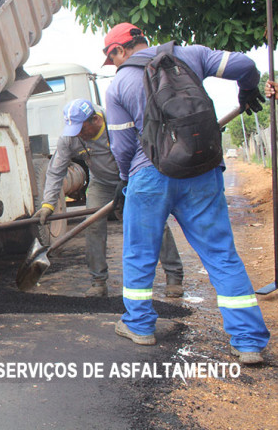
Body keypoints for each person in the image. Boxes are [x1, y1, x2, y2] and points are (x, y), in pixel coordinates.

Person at [102, 22, 270, 364]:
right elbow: (246, 67)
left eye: (112, 57)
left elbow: (122, 145)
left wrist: (125, 179)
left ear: (119, 50)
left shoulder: (119, 83)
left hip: (147, 176)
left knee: (139, 253)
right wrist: (248, 91)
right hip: (201, 171)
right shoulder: (191, 54)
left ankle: (139, 326)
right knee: (222, 254)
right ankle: (249, 342)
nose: (114, 64)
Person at [35, 99, 184, 297]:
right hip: (102, 184)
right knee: (93, 225)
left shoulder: (118, 123)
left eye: (81, 128)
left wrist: (132, 183)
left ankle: (174, 275)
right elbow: (56, 172)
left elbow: (146, 153)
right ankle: (98, 281)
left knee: (154, 222)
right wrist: (48, 204)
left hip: (134, 177)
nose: (78, 133)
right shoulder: (70, 138)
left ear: (95, 120)